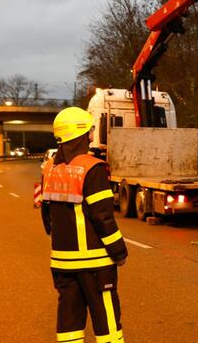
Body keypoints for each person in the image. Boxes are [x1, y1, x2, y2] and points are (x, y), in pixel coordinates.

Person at [41, 107, 127, 343]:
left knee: (69, 318)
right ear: (82, 134)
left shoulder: (50, 169)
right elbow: (103, 218)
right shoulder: (92, 168)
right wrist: (119, 251)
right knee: (106, 316)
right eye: (89, 130)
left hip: (62, 261)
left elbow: (47, 216)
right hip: (95, 262)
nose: (91, 135)